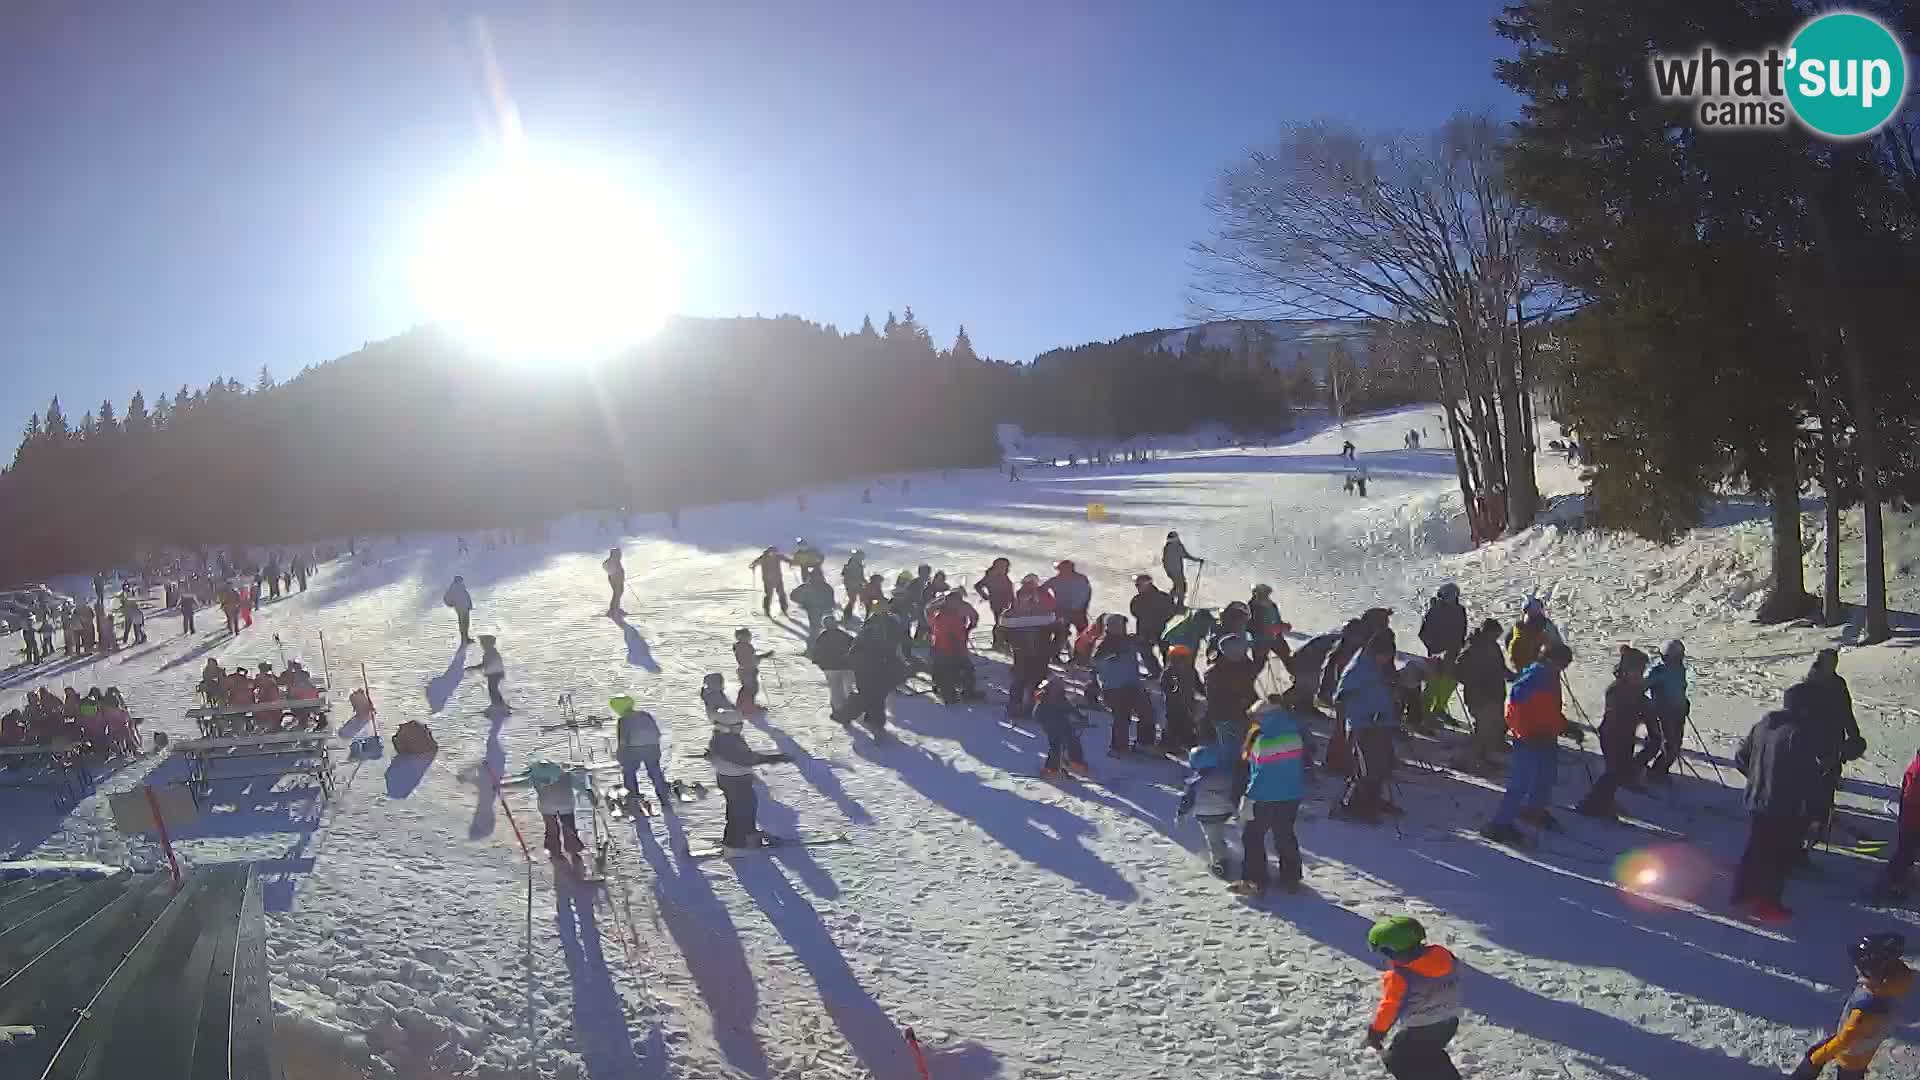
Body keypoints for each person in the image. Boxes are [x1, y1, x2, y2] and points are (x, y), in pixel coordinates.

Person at [1731, 681, 1826, 922]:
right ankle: (1767, 905)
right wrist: (1814, 809)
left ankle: (1741, 895)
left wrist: (1756, 780)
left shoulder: (1764, 725)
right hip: (1783, 805)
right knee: (1778, 858)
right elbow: (1807, 775)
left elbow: (1741, 757)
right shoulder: (1799, 732)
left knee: (1755, 850)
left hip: (1756, 800)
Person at [1481, 643, 1581, 845]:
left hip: (1546, 736)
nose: (1563, 668)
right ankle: (1499, 825)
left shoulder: (1550, 678)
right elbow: (1514, 710)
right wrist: (1525, 733)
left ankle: (1534, 810)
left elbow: (1548, 710)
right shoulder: (1532, 678)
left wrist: (1564, 726)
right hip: (1529, 739)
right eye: (1562, 663)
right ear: (1550, 659)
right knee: (1520, 783)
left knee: (1546, 776)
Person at [1788, 932, 1912, 1080]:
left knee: (1816, 1057)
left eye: (1859, 966)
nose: (1856, 968)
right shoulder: (1893, 982)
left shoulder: (1865, 1009)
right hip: (1864, 1046)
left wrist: (1816, 1059)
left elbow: (1844, 1039)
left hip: (1851, 1054)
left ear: (1871, 972)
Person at [1364, 916, 1464, 1080]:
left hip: (1419, 1030)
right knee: (1431, 1053)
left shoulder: (1400, 977)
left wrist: (1376, 1032)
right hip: (1449, 1022)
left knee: (1399, 1062)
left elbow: (1390, 1007)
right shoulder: (1443, 955)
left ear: (1392, 952)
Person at [1230, 692, 1309, 896]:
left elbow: (1260, 774)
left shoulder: (1263, 741)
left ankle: (1253, 879)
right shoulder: (1294, 734)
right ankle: (1291, 877)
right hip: (1291, 794)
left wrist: (1248, 797)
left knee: (1252, 836)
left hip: (1264, 796)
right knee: (1284, 834)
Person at [709, 685, 793, 852]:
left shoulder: (724, 737)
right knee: (739, 811)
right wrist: (773, 758)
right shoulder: (728, 741)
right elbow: (746, 759)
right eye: (737, 725)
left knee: (746, 807)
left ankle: (749, 834)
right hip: (734, 779)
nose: (740, 727)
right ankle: (733, 843)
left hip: (733, 778)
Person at [1575, 646, 1652, 820]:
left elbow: (1639, 707)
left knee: (1620, 770)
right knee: (1614, 771)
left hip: (1626, 734)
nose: (1640, 674)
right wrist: (1639, 710)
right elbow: (1620, 713)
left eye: (1642, 670)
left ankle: (1606, 800)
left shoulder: (1634, 688)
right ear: (1627, 670)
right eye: (1638, 670)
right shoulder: (1616, 689)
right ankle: (1591, 803)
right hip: (1613, 734)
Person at [1335, 630, 1400, 823]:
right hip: (1364, 725)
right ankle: (1354, 806)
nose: (1387, 659)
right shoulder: (1359, 668)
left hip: (1381, 723)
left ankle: (1373, 801)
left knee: (1382, 765)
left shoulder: (1377, 667)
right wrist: (1363, 712)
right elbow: (1341, 696)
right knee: (1367, 769)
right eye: (1385, 655)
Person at [1805, 648, 1866, 850]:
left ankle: (1823, 816)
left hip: (1834, 739)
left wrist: (1854, 735)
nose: (1833, 666)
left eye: (1835, 662)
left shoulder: (1838, 684)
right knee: (1814, 778)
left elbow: (1846, 711)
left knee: (1830, 777)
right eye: (1830, 662)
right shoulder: (1810, 684)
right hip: (1814, 740)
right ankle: (1811, 819)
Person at [1453, 619, 1513, 772]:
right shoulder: (1473, 647)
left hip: (1495, 693)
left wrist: (1511, 676)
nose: (1496, 638)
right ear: (1487, 632)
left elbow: (1500, 666)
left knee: (1494, 726)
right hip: (1480, 696)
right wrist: (1475, 682)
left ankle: (1484, 757)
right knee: (1483, 730)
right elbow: (1459, 670)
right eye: (1494, 635)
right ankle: (1471, 761)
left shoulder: (1492, 646)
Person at [1177, 737, 1240, 877]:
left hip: (1206, 815)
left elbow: (1187, 800)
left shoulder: (1194, 783)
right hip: (1225, 812)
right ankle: (1226, 853)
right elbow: (1234, 793)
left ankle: (1220, 865)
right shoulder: (1225, 777)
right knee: (1218, 834)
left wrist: (1181, 814)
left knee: (1213, 840)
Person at [1093, 615, 1156, 755]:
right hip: (1114, 688)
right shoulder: (1104, 644)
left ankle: (1144, 743)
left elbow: (1145, 649)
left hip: (1133, 684)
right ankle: (1118, 747)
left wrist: (1146, 641)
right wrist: (1112, 655)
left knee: (1147, 712)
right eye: (1119, 625)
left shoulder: (1129, 641)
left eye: (1123, 625)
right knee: (1121, 717)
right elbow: (1095, 661)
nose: (1122, 628)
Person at [837, 609, 903, 733]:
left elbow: (854, 650)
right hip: (876, 667)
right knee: (874, 696)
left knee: (869, 694)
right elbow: (893, 652)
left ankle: (857, 716)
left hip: (865, 668)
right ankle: (868, 720)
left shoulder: (867, 631)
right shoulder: (887, 632)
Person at [1002, 575, 1059, 718]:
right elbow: (1003, 632)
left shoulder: (1044, 614)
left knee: (1038, 681)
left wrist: (1053, 647)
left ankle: (1037, 708)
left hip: (1040, 653)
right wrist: (1012, 643)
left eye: (1031, 599)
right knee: (1020, 681)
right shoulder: (1011, 615)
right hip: (1022, 653)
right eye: (1024, 600)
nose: (1027, 602)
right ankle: (1015, 707)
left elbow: (1059, 630)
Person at [1634, 639, 1690, 782]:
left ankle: (1659, 770)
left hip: (1678, 712)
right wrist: (1649, 705)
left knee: (1675, 745)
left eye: (1680, 656)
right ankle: (1645, 770)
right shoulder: (1657, 671)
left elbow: (1680, 689)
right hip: (1663, 714)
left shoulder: (1680, 669)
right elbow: (1641, 688)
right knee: (1666, 745)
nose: (1679, 659)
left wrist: (1684, 703)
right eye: (1676, 657)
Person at [1417, 583, 1467, 723]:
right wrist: (1435, 649)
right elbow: (1423, 634)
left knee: (1450, 682)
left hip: (1453, 653)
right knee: (1433, 683)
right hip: (1437, 654)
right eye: (1449, 596)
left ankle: (1439, 708)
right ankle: (1425, 713)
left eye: (1454, 596)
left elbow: (1463, 630)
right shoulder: (1434, 612)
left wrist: (1460, 646)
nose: (1452, 599)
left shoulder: (1460, 610)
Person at [1202, 629, 1260, 748]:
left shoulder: (1248, 665)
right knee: (1230, 749)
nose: (1246, 651)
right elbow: (1215, 700)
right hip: (1227, 718)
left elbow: (1257, 687)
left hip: (1249, 713)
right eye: (1243, 649)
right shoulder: (1215, 673)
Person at [611, 694, 668, 810]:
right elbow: (656, 732)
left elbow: (623, 740)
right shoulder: (644, 715)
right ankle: (662, 794)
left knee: (629, 771)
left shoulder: (623, 720)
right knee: (654, 770)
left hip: (633, 749)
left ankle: (633, 795)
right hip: (651, 747)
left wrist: (621, 755)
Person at [927, 589, 980, 704]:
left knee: (967, 669)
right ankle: (947, 693)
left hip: (956, 645)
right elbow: (929, 612)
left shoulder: (961, 609)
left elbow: (974, 616)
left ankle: (967, 691)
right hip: (944, 646)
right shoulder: (938, 610)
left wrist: (969, 628)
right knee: (944, 670)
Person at [1033, 677, 1090, 779]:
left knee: (1071, 742)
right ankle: (1052, 768)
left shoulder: (1061, 699)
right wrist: (1045, 722)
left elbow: (1071, 709)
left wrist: (1081, 717)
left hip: (1063, 725)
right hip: (1053, 727)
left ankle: (1073, 761)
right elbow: (1037, 713)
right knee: (1057, 747)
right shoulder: (1045, 700)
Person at [808, 615, 858, 714]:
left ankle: (838, 709)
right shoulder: (844, 635)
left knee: (835, 689)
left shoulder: (822, 637)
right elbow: (855, 646)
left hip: (830, 668)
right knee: (848, 687)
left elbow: (816, 653)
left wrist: (819, 663)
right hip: (846, 666)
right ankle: (850, 707)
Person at [1129, 574, 1177, 676]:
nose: (1137, 587)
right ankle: (1157, 673)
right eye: (1136, 585)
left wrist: (1158, 620)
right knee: (1145, 650)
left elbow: (1171, 611)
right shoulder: (1137, 599)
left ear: (1148, 585)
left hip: (1160, 629)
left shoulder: (1162, 597)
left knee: (1165, 652)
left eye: (1139, 585)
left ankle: (1169, 674)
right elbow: (1134, 611)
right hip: (1145, 630)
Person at [1160, 644, 1202, 754]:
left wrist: (1205, 693)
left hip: (1188, 703)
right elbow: (1165, 686)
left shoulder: (1191, 671)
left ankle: (1188, 743)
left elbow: (1198, 685)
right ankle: (1169, 744)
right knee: (1173, 723)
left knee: (1188, 723)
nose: (1182, 662)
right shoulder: (1170, 672)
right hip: (1173, 705)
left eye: (1184, 659)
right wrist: (1174, 693)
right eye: (1179, 659)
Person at [1505, 597, 1562, 671]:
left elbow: (1509, 642)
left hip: (1525, 665)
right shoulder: (1543, 626)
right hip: (1532, 665)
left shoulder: (1519, 628)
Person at [975, 558, 1015, 650]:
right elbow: (978, 586)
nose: (1006, 568)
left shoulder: (1003, 575)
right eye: (1004, 566)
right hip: (997, 602)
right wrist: (985, 595)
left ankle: (1001, 643)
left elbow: (1009, 590)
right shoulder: (991, 576)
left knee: (1004, 622)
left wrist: (1013, 602)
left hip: (1006, 603)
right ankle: (998, 643)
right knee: (1000, 622)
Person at [732, 628, 772, 715]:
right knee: (751, 690)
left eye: (749, 635)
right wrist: (763, 656)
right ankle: (748, 708)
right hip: (748, 671)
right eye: (748, 636)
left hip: (745, 671)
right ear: (740, 637)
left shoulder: (741, 646)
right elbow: (750, 660)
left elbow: (751, 659)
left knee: (746, 689)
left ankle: (743, 705)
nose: (750, 638)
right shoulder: (745, 647)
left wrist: (761, 657)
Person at [1161, 531, 1204, 608]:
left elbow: (1165, 560)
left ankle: (1170, 601)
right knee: (1181, 586)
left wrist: (1167, 570)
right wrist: (1197, 560)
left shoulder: (1167, 547)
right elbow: (1186, 555)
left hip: (1171, 571)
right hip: (1176, 571)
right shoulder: (1177, 546)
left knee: (1177, 586)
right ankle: (1179, 604)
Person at [792, 568, 836, 641]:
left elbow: (793, 596)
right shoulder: (826, 586)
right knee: (821, 630)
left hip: (817, 611)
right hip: (821, 611)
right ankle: (824, 646)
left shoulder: (807, 586)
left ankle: (815, 646)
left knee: (815, 630)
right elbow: (793, 596)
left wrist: (803, 602)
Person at [470, 634, 508, 709]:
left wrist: (475, 667)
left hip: (494, 674)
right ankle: (498, 704)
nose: (481, 645)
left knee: (493, 690)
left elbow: (485, 664)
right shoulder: (491, 652)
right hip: (495, 673)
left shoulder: (489, 653)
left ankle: (498, 705)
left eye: (482, 643)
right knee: (493, 689)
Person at [749, 546, 789, 616]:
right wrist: (753, 566)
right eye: (772, 552)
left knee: (781, 593)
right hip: (768, 580)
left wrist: (792, 562)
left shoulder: (778, 557)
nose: (773, 554)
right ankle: (766, 610)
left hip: (778, 579)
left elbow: (787, 559)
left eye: (775, 552)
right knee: (769, 595)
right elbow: (755, 562)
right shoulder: (763, 558)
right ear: (768, 552)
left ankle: (784, 609)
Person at [444, 575, 474, 644]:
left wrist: (450, 604)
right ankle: (465, 638)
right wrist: (470, 605)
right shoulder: (457, 587)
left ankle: (464, 637)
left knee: (462, 622)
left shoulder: (454, 587)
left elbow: (446, 598)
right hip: (463, 608)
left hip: (460, 608)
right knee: (465, 623)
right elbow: (466, 596)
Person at [840, 550, 867, 620]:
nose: (863, 558)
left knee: (854, 599)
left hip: (854, 585)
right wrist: (863, 582)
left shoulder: (857, 563)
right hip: (852, 585)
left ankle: (848, 615)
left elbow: (860, 576)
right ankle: (846, 616)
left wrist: (864, 581)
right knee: (852, 600)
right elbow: (855, 576)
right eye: (862, 556)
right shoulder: (854, 564)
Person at [604, 547, 626, 615]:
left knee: (618, 593)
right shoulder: (614, 561)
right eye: (619, 553)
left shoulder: (612, 560)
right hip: (616, 579)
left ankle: (615, 608)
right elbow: (617, 571)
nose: (620, 555)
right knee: (617, 593)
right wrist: (620, 575)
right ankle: (614, 610)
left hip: (615, 578)